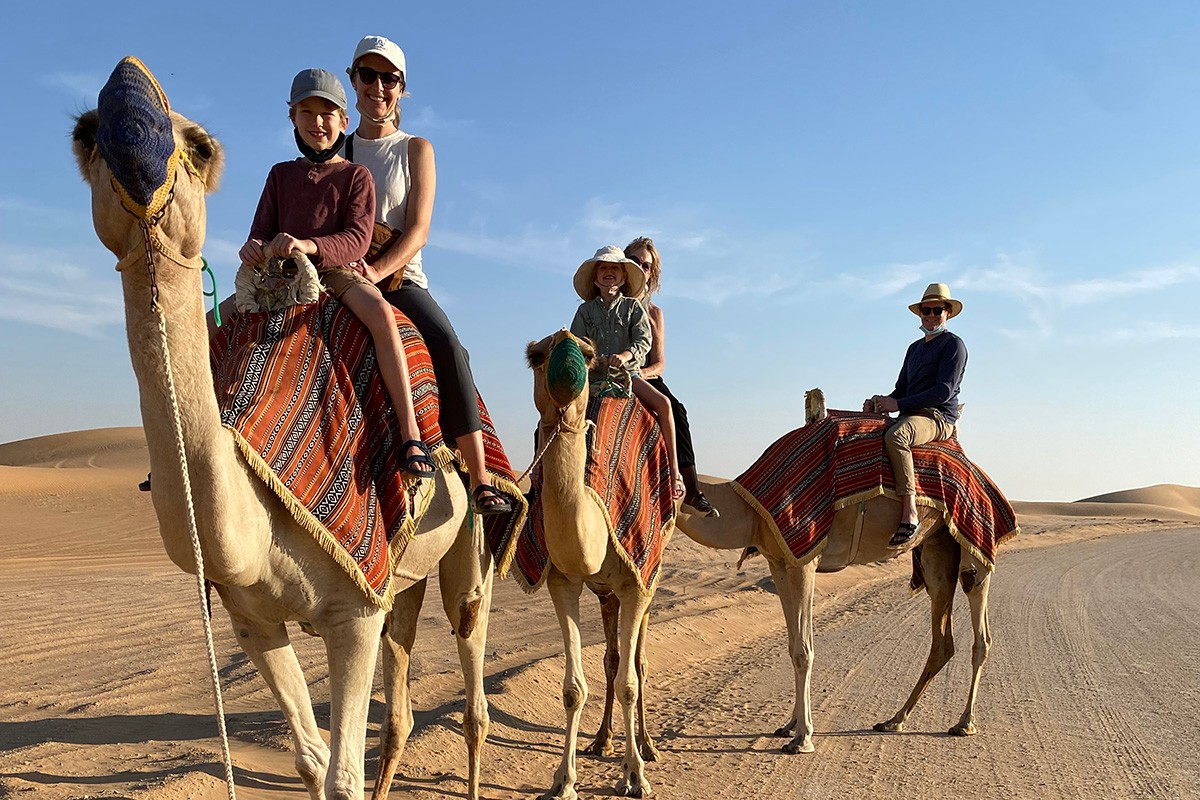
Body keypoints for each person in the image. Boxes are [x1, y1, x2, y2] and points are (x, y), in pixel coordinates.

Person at [342, 35, 511, 515]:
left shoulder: (415, 149)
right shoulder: (337, 146)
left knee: (450, 346)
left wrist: (374, 270)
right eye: (368, 76)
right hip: (342, 273)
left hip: (399, 279)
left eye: (389, 79)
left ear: (402, 88)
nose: (378, 87)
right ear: (353, 80)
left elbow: (417, 231)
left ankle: (479, 478)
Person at [241, 67, 435, 481]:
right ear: (292, 118)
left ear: (343, 122)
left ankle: (410, 433)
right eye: (307, 113)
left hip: (338, 274)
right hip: (282, 278)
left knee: (383, 318)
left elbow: (357, 240)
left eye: (327, 114)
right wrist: (254, 247)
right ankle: (187, 439)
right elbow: (260, 230)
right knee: (209, 327)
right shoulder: (279, 175)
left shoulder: (355, 176)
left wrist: (309, 246)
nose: (317, 123)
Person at [569, 246, 685, 500]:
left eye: (615, 268)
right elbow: (577, 344)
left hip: (628, 375)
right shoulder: (584, 312)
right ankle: (539, 471)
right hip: (594, 376)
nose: (609, 272)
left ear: (623, 278)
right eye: (603, 267)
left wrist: (624, 357)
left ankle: (675, 472)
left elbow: (643, 342)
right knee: (557, 408)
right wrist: (594, 360)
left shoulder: (633, 309)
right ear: (595, 277)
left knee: (665, 405)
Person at [863, 282, 968, 547]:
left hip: (937, 417)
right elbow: (901, 389)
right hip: (911, 411)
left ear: (947, 313)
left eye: (936, 310)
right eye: (926, 311)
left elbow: (943, 391)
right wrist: (880, 402)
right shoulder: (914, 348)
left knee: (897, 437)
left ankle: (910, 513)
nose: (931, 316)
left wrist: (896, 403)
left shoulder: (953, 346)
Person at [623, 237, 719, 517]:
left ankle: (691, 489)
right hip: (611, 372)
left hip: (644, 375)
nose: (642, 269)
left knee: (676, 410)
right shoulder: (608, 304)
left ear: (653, 274)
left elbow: (660, 363)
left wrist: (639, 373)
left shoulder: (654, 314)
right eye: (636, 262)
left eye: (647, 266)